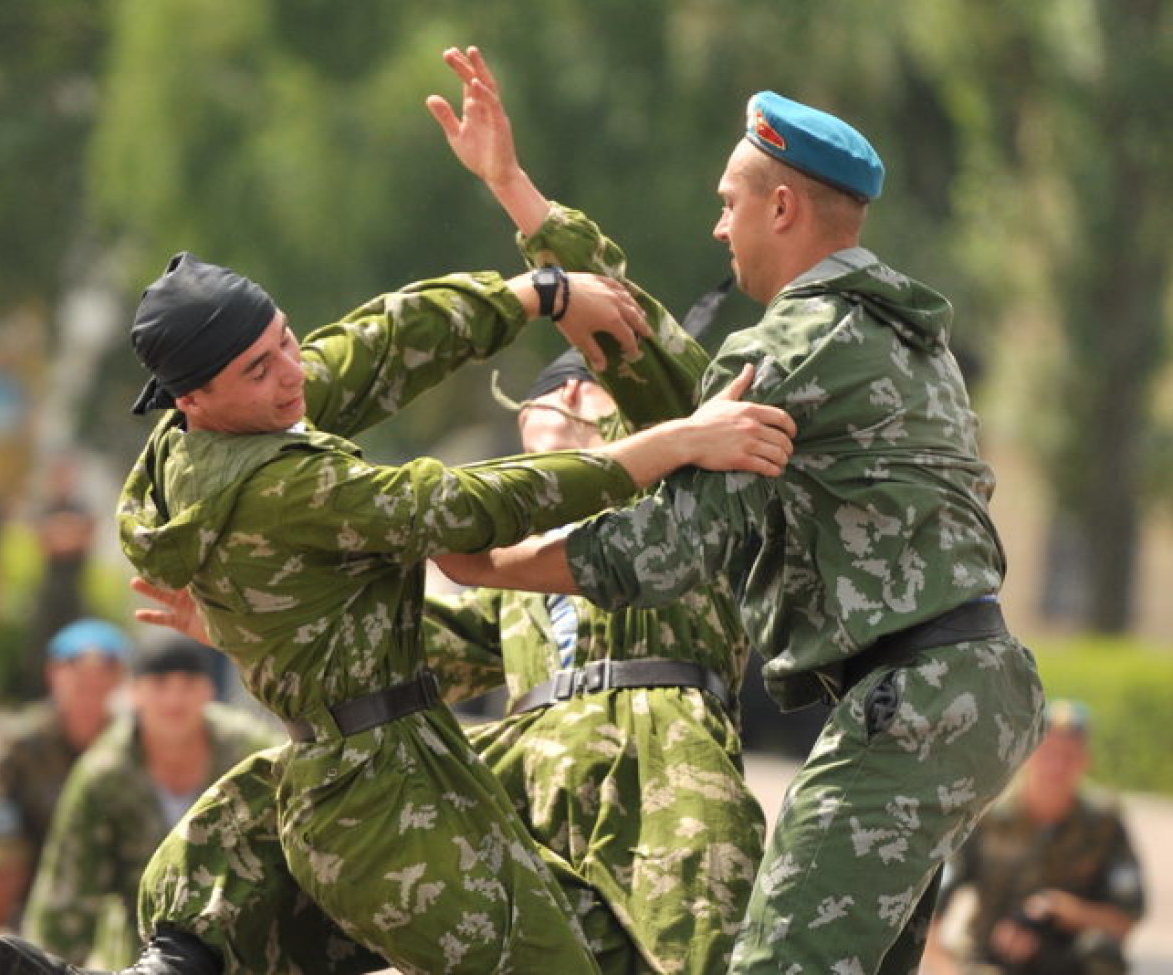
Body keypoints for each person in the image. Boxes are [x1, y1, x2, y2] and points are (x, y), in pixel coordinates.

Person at [0, 243, 795, 975]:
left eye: (285, 342)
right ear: (191, 400)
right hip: (389, 796)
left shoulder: (217, 433)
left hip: (370, 772)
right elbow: (464, 504)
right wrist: (677, 442)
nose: (292, 373)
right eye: (259, 370)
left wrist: (534, 293)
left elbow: (375, 347)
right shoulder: (280, 483)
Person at [427, 46, 1045, 975]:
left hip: (911, 698)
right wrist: (518, 192)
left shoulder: (790, 343)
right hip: (973, 689)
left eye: (729, 203)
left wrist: (496, 562)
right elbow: (652, 346)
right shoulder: (902, 337)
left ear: (782, 207)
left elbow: (669, 543)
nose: (720, 229)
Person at [418, 348, 769, 974]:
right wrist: (248, 623)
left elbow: (636, 362)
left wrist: (557, 272)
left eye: (534, 412)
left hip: (658, 755)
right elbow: (417, 648)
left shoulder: (675, 492)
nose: (527, 461)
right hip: (534, 771)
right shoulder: (510, 573)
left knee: (701, 953)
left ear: (577, 394)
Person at [22, 634, 280, 969]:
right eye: (160, 683)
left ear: (208, 691)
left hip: (253, 941)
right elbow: (67, 894)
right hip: (144, 951)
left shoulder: (253, 754)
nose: (175, 698)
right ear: (134, 693)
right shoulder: (105, 775)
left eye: (188, 683)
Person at [923, 700, 1145, 975]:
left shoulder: (1104, 824)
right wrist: (948, 971)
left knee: (1103, 952)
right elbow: (932, 912)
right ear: (1026, 755)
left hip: (1067, 962)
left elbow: (1124, 920)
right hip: (990, 959)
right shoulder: (985, 817)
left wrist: (1061, 909)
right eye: (1048, 753)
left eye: (1068, 755)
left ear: (1086, 760)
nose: (1056, 767)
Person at [0, 619, 129, 966]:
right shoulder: (22, 747)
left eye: (101, 678)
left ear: (119, 679)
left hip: (116, 907)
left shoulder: (132, 743)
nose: (89, 689)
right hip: (37, 901)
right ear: (53, 673)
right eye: (77, 677)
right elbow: (6, 855)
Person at [21, 453, 98, 699]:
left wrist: (61, 530)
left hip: (74, 589)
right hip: (48, 589)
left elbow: (83, 537)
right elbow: (45, 540)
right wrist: (67, 530)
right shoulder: (44, 507)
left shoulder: (82, 506)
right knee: (41, 647)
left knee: (75, 647)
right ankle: (38, 696)